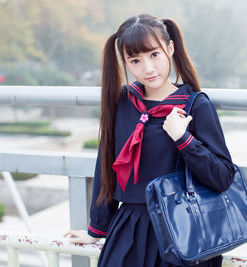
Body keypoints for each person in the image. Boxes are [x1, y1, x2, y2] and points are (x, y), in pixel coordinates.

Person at [64, 14, 235, 267]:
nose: (148, 68)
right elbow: (106, 166)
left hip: (183, 231)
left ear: (170, 48)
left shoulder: (194, 105)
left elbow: (222, 176)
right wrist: (96, 230)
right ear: (125, 63)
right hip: (130, 231)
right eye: (135, 60)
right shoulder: (122, 101)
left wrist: (183, 139)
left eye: (154, 55)